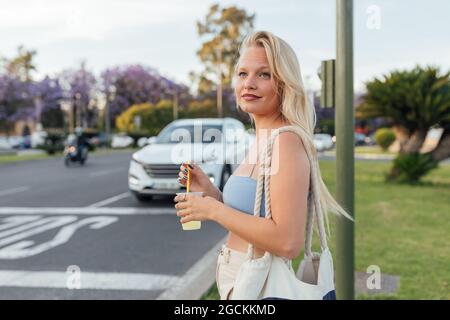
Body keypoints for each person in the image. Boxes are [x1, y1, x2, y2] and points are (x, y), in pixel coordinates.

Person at [174, 31, 352, 300]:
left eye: (264, 74)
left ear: (284, 83)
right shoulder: (262, 139)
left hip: (263, 286)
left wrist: (212, 210)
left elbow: (287, 242)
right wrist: (212, 194)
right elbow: (254, 219)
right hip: (242, 279)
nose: (249, 84)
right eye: (243, 74)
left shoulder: (286, 141)